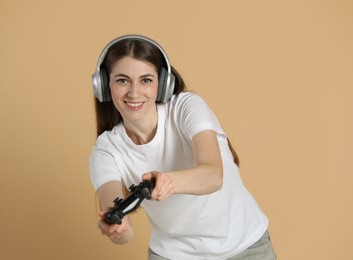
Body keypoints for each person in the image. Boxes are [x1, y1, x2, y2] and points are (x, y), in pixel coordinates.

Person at [89, 34, 276, 260]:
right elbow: (120, 224)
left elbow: (213, 176)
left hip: (245, 246)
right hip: (173, 254)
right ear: (104, 86)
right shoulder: (106, 149)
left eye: (146, 80)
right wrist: (117, 229)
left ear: (162, 84)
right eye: (122, 80)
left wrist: (169, 181)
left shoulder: (186, 107)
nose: (134, 92)